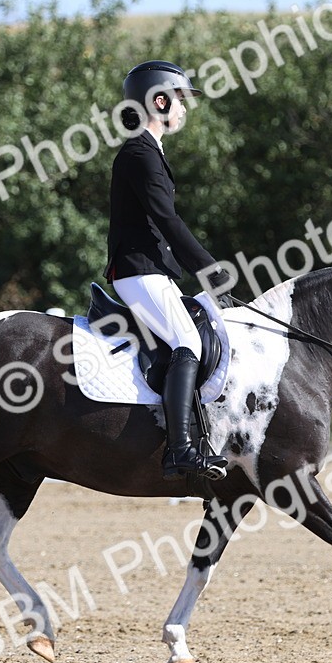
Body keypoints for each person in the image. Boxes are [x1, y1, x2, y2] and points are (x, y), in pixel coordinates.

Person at [104, 60, 232, 481]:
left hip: (150, 269)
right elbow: (168, 221)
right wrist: (209, 270)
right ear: (159, 101)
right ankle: (181, 451)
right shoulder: (140, 153)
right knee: (188, 342)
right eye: (179, 101)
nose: (184, 110)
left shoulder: (148, 151)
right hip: (138, 269)